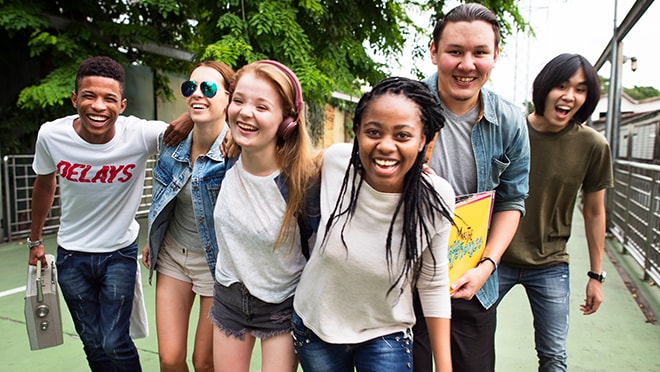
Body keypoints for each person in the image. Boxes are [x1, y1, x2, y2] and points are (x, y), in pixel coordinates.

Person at [26, 56, 192, 371]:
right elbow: (44, 186)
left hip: (119, 253)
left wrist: (188, 119)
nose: (98, 106)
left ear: (123, 104)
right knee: (92, 343)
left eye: (109, 99)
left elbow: (197, 127)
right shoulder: (51, 135)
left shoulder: (140, 134)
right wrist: (34, 239)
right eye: (89, 96)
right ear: (75, 99)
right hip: (71, 256)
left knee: (114, 341)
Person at [292, 77, 455, 372]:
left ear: (423, 140)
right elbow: (279, 155)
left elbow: (433, 283)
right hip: (317, 327)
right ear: (357, 132)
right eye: (373, 132)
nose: (386, 146)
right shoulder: (336, 162)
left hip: (386, 331)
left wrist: (444, 367)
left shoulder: (436, 198)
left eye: (403, 136)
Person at [413, 3, 531, 372]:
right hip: (406, 276)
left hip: (472, 279)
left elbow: (513, 200)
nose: (467, 64)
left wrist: (487, 266)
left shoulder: (509, 121)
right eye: (455, 52)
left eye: (480, 52)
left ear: (495, 56)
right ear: (434, 52)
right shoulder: (403, 105)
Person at [497, 53, 613, 371]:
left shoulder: (593, 145)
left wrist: (595, 277)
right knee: (469, 342)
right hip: (494, 258)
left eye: (580, 89)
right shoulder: (511, 131)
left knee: (554, 356)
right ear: (545, 87)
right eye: (561, 85)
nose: (569, 96)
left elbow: (594, 212)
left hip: (550, 263)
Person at [211, 60, 319, 372]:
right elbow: (199, 108)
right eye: (239, 101)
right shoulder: (222, 161)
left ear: (287, 121)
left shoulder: (304, 181)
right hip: (230, 296)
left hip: (283, 303)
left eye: (262, 106)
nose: (245, 112)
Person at [141, 60, 234, 372]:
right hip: (172, 255)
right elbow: (161, 197)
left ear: (229, 98)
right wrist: (153, 238)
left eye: (208, 88)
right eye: (189, 87)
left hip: (215, 264)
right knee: (169, 359)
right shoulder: (171, 143)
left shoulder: (239, 150)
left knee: (204, 362)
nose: (197, 94)